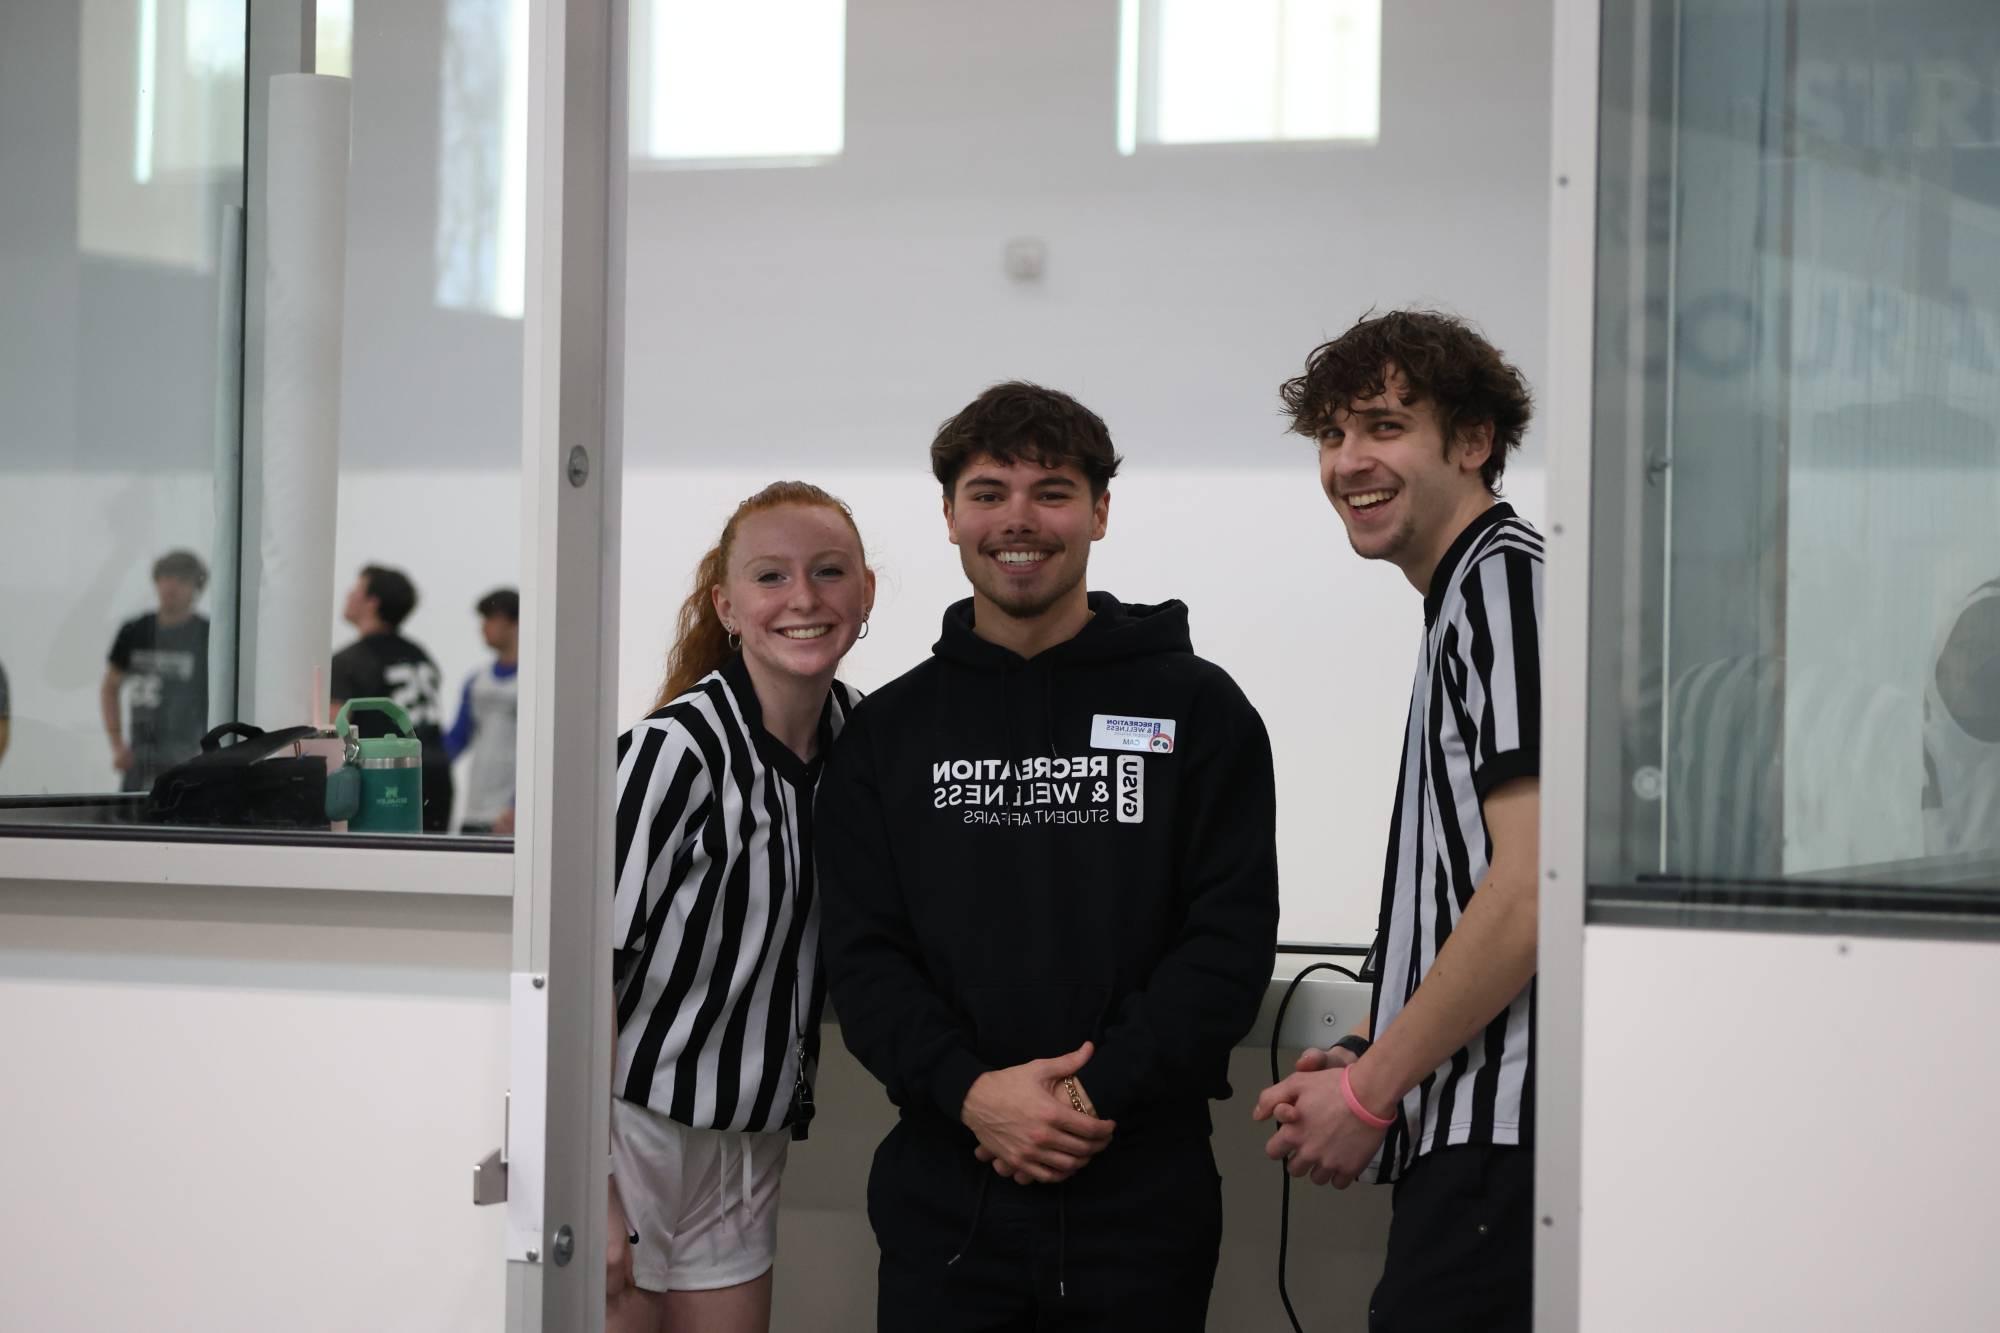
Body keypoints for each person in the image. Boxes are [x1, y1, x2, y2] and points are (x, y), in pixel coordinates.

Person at [817, 382, 1279, 1332]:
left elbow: (1227, 945)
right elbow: (864, 959)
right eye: (988, 492)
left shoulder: (1201, 712)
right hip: (947, 1198)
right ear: (948, 515)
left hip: (1142, 1199)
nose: (1018, 520)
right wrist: (973, 1094)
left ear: (1101, 511)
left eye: (1052, 490)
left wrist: (1077, 1096)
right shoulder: (886, 736)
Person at [1255, 310, 1544, 1332]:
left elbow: (1527, 892)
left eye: (1381, 425)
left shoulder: (1501, 588)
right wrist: (1375, 1053)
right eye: (1330, 435)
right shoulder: (1467, 595)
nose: (1346, 461)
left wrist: (1372, 1090)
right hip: (1468, 1135)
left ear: (1471, 441)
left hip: (1502, 1147)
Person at [606, 482, 872, 1333]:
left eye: (829, 572)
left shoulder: (864, 742)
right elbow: (578, 976)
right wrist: (586, 1184)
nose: (803, 598)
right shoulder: (669, 754)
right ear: (726, 603)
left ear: (864, 593)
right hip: (628, 1132)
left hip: (749, 1139)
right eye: (771, 576)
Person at [330, 565, 454, 833]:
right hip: (437, 773)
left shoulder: (350, 661)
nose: (348, 595)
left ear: (372, 602)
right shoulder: (420, 654)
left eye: (356, 589)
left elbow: (334, 730)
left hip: (388, 778)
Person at [101, 550, 211, 792]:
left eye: (182, 580)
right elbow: (110, 687)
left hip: (188, 754)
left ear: (196, 587)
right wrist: (118, 745)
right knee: (132, 820)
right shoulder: (135, 630)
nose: (171, 586)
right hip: (140, 755)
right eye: (166, 577)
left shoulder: (206, 636)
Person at [444, 587, 519, 835]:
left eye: (491, 618)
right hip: (474, 812)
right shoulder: (476, 681)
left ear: (514, 623)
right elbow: (457, 739)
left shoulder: (535, 685)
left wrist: (519, 806)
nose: (483, 627)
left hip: (510, 817)